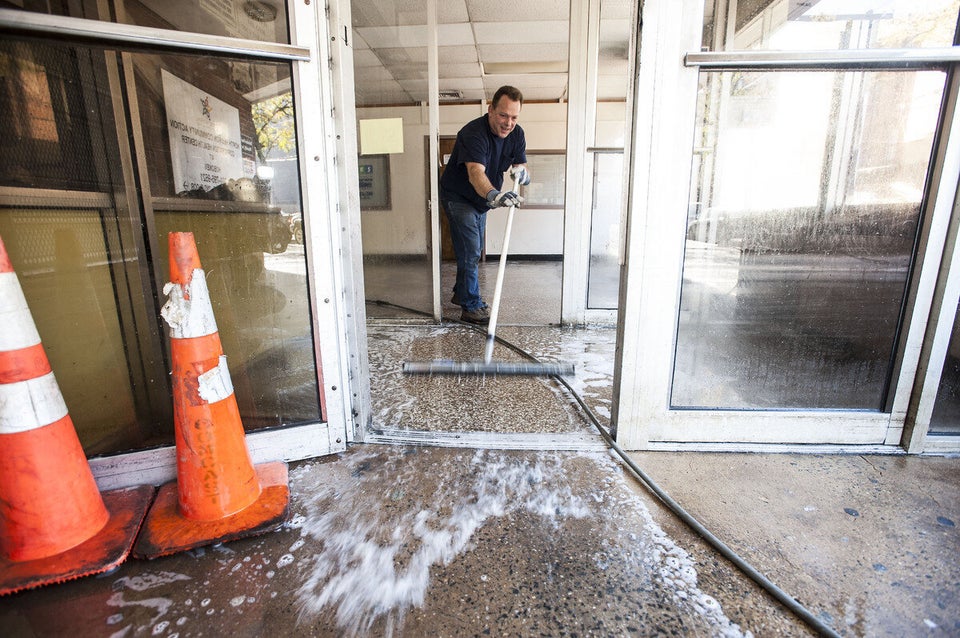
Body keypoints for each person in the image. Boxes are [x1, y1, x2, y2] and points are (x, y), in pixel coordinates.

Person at [440, 85, 531, 325]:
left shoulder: (517, 134)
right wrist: (494, 195)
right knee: (471, 249)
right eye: (503, 115)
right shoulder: (473, 133)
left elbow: (520, 164)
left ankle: (462, 294)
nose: (508, 123)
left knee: (473, 248)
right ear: (490, 110)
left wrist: (522, 173)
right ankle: (471, 306)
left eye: (514, 117)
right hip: (458, 196)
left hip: (482, 201)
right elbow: (475, 172)